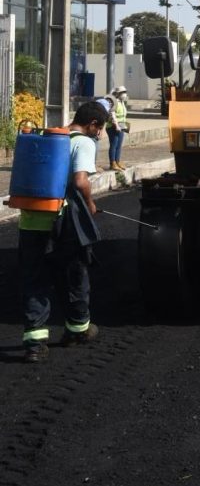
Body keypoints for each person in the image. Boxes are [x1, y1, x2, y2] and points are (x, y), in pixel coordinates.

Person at [18, 101, 108, 363]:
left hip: (30, 217)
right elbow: (80, 181)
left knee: (34, 279)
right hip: (60, 219)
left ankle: (34, 344)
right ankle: (78, 329)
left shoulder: (47, 136)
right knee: (74, 273)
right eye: (99, 129)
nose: (100, 134)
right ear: (92, 124)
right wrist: (91, 205)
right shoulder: (84, 142)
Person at [107, 86, 130, 170]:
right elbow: (112, 114)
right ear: (118, 94)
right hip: (113, 126)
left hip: (122, 125)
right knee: (114, 145)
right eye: (123, 92)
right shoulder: (114, 102)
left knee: (119, 145)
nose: (124, 94)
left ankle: (117, 161)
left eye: (125, 92)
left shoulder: (122, 102)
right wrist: (116, 125)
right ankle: (112, 163)